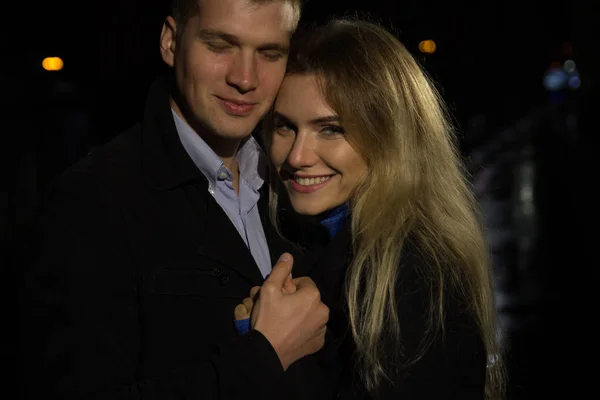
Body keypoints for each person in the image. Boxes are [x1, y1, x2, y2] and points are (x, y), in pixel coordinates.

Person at [17, 1, 331, 399]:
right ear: (170, 42)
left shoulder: (296, 179)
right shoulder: (91, 201)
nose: (246, 78)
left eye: (269, 53)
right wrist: (260, 356)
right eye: (220, 45)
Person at [236, 18, 507, 399]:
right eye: (285, 127)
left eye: (331, 129)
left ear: (390, 137)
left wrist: (265, 355)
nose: (297, 156)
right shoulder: (323, 245)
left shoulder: (411, 278)